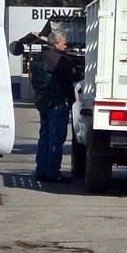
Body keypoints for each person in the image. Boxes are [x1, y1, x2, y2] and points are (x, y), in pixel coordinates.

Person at [30, 29, 77, 184]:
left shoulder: (38, 58)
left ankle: (41, 171)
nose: (66, 45)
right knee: (56, 139)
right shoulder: (58, 59)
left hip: (42, 102)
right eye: (64, 42)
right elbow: (71, 77)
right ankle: (52, 173)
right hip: (57, 102)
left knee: (44, 138)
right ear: (56, 43)